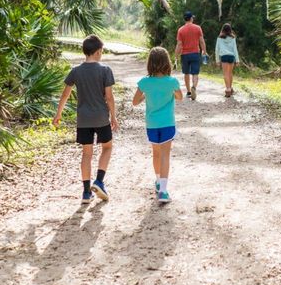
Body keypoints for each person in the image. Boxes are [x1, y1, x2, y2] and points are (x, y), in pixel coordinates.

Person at [52, 34, 118, 203]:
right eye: (101, 51)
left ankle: (86, 193)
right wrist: (114, 117)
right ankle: (99, 181)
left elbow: (65, 94)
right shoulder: (105, 70)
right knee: (107, 147)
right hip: (101, 118)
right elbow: (109, 97)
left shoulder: (76, 71)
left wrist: (58, 114)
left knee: (86, 154)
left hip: (83, 119)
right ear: (97, 52)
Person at [133, 47, 183, 203]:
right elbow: (180, 97)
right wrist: (171, 93)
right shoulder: (172, 82)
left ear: (150, 64)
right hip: (167, 123)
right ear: (167, 63)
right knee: (165, 155)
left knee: (155, 153)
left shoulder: (144, 82)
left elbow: (135, 102)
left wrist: (146, 96)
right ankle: (163, 190)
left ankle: (157, 180)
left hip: (152, 124)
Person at [175, 11, 207, 100]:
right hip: (195, 53)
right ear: (191, 18)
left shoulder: (180, 30)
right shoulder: (198, 28)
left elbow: (179, 44)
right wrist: (204, 51)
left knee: (186, 73)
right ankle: (194, 87)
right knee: (195, 73)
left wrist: (176, 56)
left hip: (184, 54)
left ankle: (188, 91)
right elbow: (201, 41)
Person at [215, 23, 240, 98]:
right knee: (230, 73)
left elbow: (217, 49)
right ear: (230, 30)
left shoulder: (219, 38)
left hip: (224, 57)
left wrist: (217, 60)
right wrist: (237, 60)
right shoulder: (233, 38)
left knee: (225, 74)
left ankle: (228, 89)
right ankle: (230, 88)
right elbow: (235, 49)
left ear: (222, 29)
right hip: (231, 57)